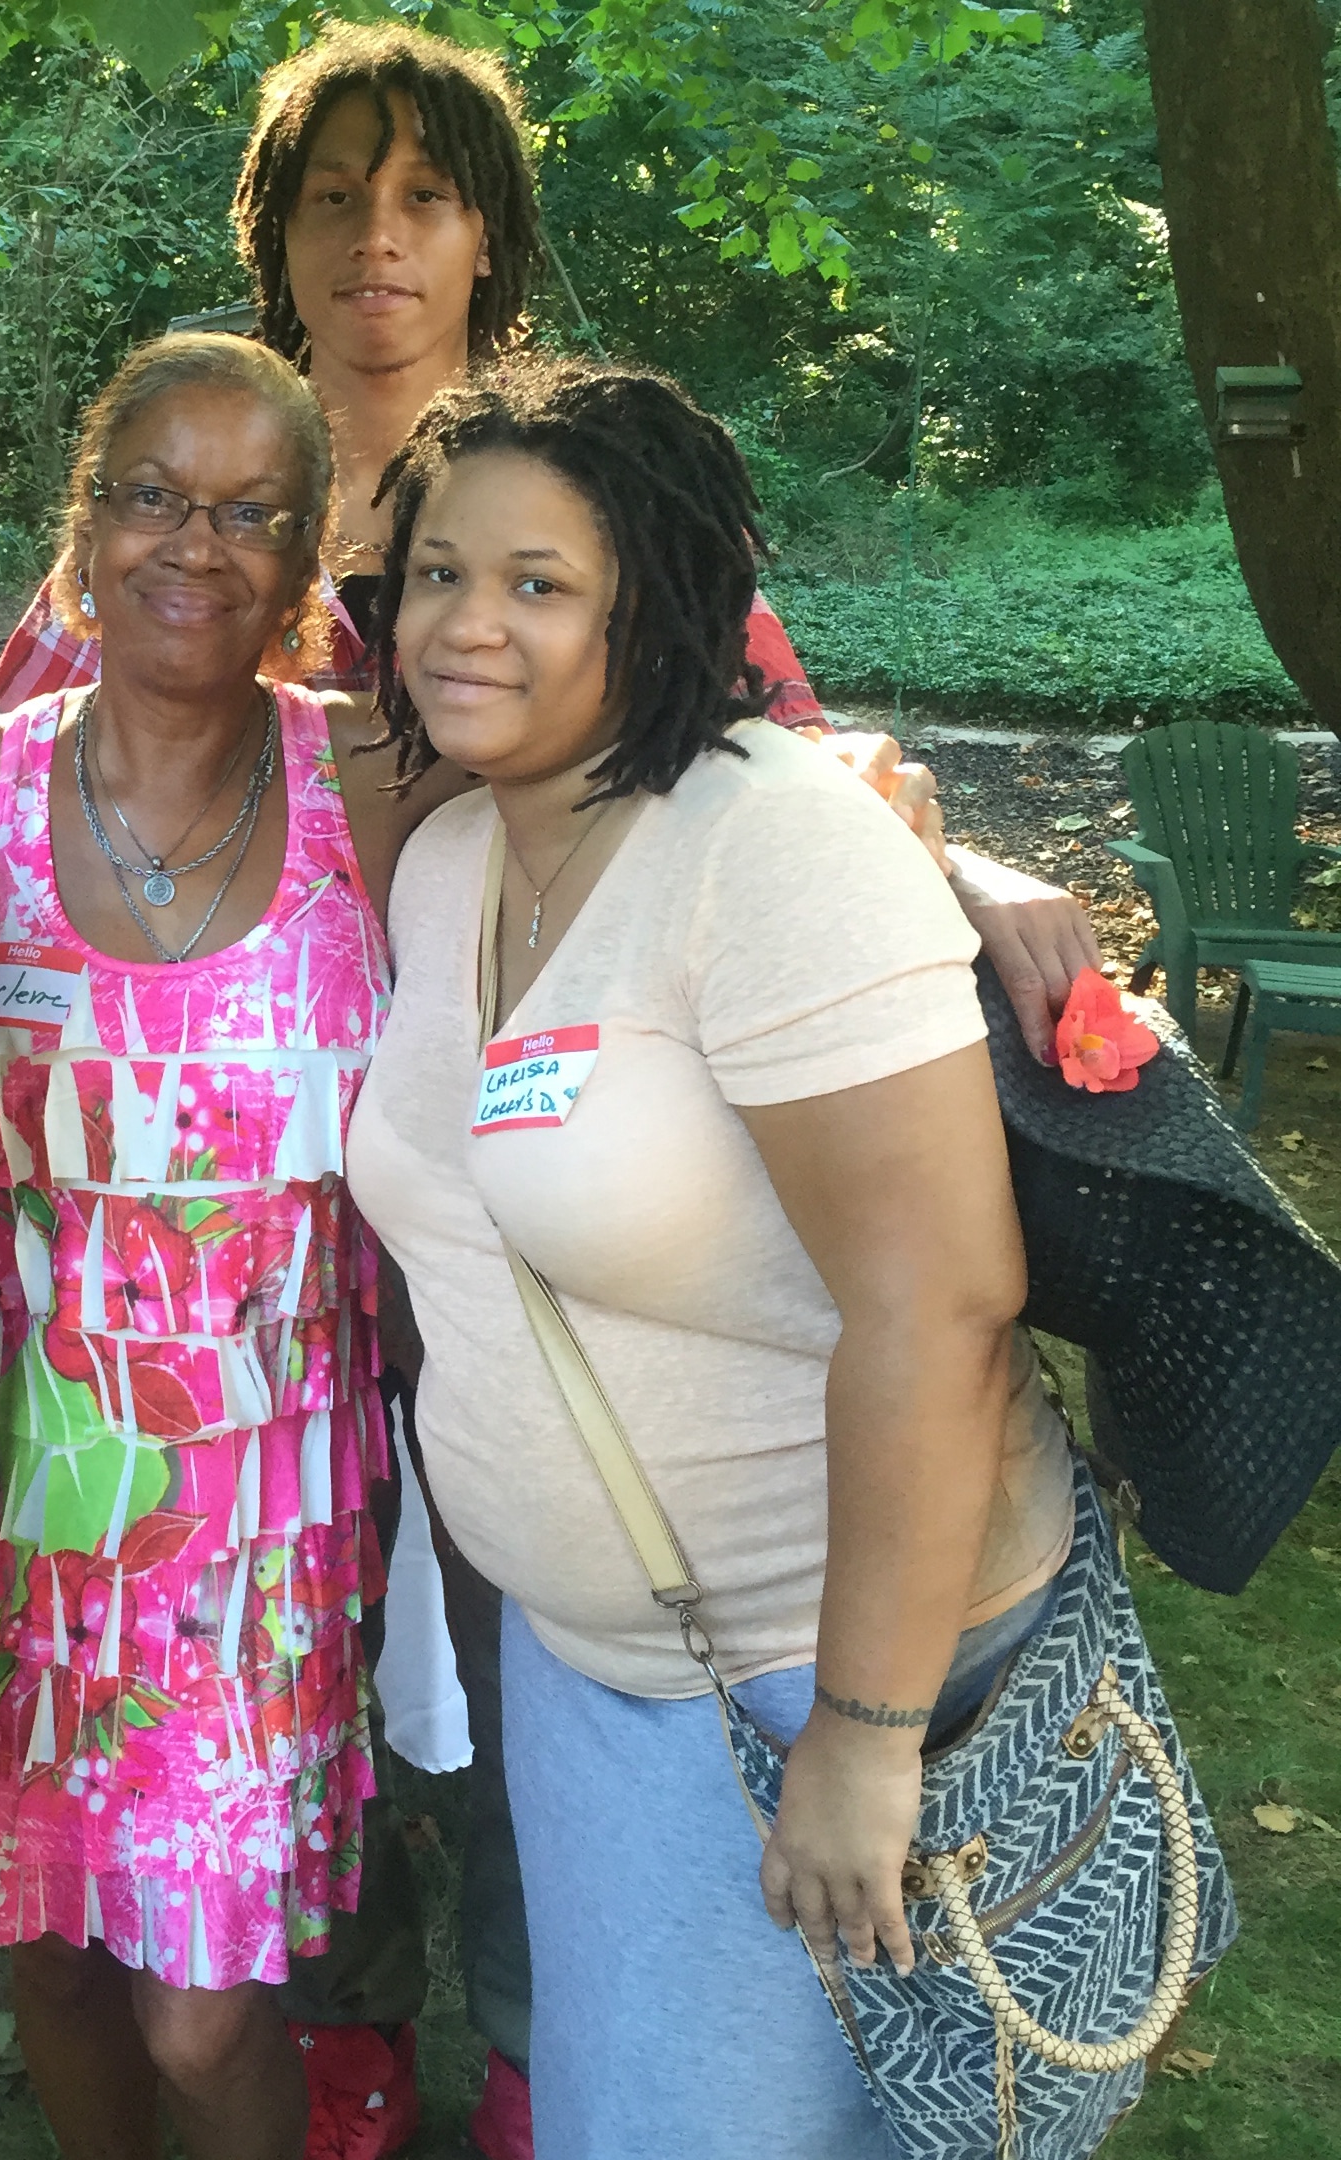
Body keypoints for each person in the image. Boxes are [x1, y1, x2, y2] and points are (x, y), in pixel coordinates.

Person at [0, 29, 1097, 2155]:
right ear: (276, 240)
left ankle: (540, 2057)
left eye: (422, 196)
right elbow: (15, 812)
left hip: (587, 1255)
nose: (376, 238)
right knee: (300, 1714)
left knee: (502, 1707)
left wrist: (981, 864)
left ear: (490, 235)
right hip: (272, 1281)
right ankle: (357, 2035)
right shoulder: (207, 516)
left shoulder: (578, 478)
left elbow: (765, 775)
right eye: (331, 197)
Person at [343, 357, 1075, 2158]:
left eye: (537, 583)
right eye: (438, 573)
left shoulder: (769, 846)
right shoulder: (453, 863)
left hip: (800, 1657)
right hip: (591, 1670)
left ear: (649, 607)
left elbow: (941, 1303)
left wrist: (860, 1728)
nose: (467, 624)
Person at [0, 332, 484, 2160]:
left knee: (198, 2007)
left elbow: (620, 871)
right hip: (9, 1491)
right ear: (81, 534)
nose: (194, 542)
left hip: (264, 1516)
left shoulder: (372, 796)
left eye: (251, 512)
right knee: (55, 1956)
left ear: (308, 567)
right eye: (152, 494)